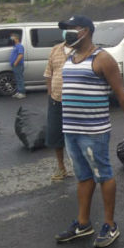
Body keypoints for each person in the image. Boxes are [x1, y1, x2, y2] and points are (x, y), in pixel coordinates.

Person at [54, 15, 124, 248]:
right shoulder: (70, 58)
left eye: (73, 28)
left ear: (87, 31)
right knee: (83, 176)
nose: (68, 32)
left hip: (94, 131)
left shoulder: (103, 59)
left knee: (103, 175)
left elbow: (121, 94)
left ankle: (110, 224)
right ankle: (83, 224)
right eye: (66, 29)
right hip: (71, 130)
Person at [44, 39, 73, 181]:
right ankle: (61, 167)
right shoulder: (55, 49)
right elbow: (48, 73)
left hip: (76, 102)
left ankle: (82, 167)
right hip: (56, 100)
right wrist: (50, 94)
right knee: (56, 134)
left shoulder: (83, 50)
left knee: (77, 135)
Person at [10, 33, 25, 99]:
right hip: (15, 65)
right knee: (17, 79)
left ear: (16, 38)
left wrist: (15, 62)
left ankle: (22, 93)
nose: (11, 39)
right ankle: (18, 92)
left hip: (18, 65)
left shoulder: (19, 46)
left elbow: (20, 55)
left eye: (12, 37)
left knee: (20, 79)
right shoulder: (15, 46)